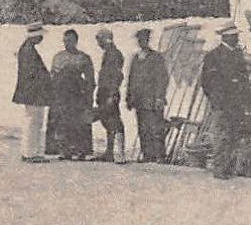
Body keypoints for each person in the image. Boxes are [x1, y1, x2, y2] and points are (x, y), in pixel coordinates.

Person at [199, 20, 251, 179]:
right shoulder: (213, 56)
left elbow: (244, 79)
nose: (236, 39)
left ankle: (229, 166)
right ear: (225, 37)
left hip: (237, 103)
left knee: (234, 134)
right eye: (233, 36)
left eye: (236, 36)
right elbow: (207, 81)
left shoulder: (237, 55)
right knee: (222, 135)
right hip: (222, 104)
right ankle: (219, 168)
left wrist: (246, 98)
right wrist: (216, 100)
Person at [47, 28, 96, 160]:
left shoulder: (83, 58)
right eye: (64, 41)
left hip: (77, 95)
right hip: (62, 95)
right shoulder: (58, 57)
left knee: (79, 123)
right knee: (63, 122)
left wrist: (88, 96)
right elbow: (53, 76)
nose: (66, 43)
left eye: (69, 41)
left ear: (76, 41)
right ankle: (64, 150)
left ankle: (80, 150)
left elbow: (90, 79)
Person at [125, 27, 169, 162]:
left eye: (144, 40)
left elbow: (162, 78)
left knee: (156, 127)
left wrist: (159, 97)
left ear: (148, 40)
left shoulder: (156, 57)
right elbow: (131, 79)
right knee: (143, 128)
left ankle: (160, 155)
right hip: (139, 99)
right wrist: (129, 97)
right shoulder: (136, 58)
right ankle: (147, 155)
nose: (141, 42)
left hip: (153, 98)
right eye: (139, 40)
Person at [12, 24, 51, 163]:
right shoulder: (29, 51)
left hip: (31, 91)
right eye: (40, 36)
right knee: (33, 121)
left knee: (32, 120)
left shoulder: (27, 49)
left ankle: (28, 151)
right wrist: (47, 77)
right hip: (34, 92)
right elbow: (33, 73)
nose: (41, 38)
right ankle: (30, 153)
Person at [94, 28, 127, 164]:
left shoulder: (114, 54)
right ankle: (109, 152)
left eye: (99, 40)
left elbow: (117, 76)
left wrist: (112, 94)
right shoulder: (109, 53)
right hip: (104, 91)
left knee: (114, 122)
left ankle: (119, 154)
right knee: (107, 121)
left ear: (105, 39)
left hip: (109, 92)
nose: (98, 43)